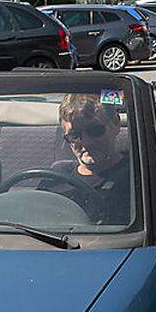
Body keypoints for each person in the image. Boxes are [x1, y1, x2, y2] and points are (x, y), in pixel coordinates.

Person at [40, 93, 132, 225]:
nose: (86, 142)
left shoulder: (140, 176)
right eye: (74, 135)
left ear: (116, 124)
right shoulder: (55, 176)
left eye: (95, 130)